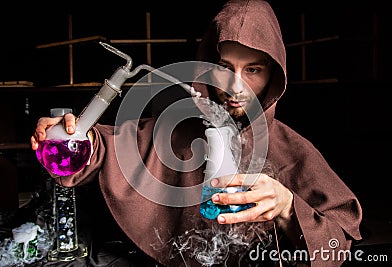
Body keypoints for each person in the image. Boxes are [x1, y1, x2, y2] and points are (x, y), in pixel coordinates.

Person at [30, 0, 362, 266]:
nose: (234, 86)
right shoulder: (174, 131)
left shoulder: (293, 150)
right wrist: (72, 136)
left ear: (274, 75)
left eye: (254, 70)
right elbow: (105, 147)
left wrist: (288, 207)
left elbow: (337, 243)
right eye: (224, 68)